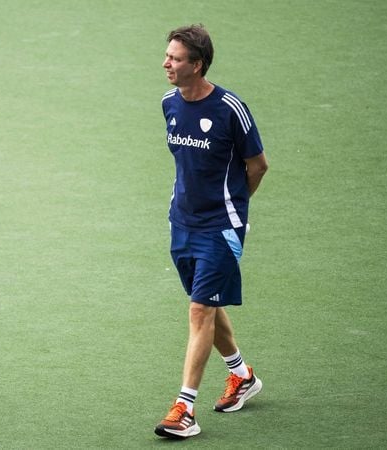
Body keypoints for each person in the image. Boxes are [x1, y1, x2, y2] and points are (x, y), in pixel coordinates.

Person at [154, 24, 269, 439]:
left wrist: (236, 210)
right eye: (167, 55)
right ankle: (242, 376)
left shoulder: (230, 110)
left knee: (199, 310)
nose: (166, 62)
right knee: (207, 303)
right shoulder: (169, 103)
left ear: (197, 65)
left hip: (221, 228)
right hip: (181, 223)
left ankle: (185, 408)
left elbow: (257, 166)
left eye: (176, 58)